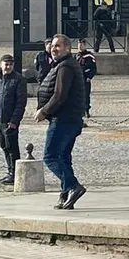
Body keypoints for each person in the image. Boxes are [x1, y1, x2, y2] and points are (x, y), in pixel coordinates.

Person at [34, 34, 87, 210]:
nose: (53, 49)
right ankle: (65, 195)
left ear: (67, 48)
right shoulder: (62, 65)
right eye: (52, 46)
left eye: (58, 46)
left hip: (64, 119)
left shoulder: (65, 67)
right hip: (70, 119)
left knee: (50, 157)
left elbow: (59, 95)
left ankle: (72, 186)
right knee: (63, 158)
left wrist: (44, 111)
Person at [0, 54, 27, 185]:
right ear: (0, 64)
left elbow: (21, 102)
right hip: (0, 118)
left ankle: (15, 173)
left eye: (11, 64)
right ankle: (9, 171)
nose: (8, 67)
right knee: (4, 146)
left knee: (12, 147)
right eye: (6, 64)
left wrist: (14, 121)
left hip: (10, 119)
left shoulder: (18, 80)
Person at [76, 39, 97, 115]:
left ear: (85, 46)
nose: (80, 47)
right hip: (77, 79)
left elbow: (93, 68)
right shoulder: (76, 56)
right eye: (78, 45)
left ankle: (86, 109)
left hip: (85, 78)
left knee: (86, 95)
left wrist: (89, 77)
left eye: (81, 45)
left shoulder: (89, 56)